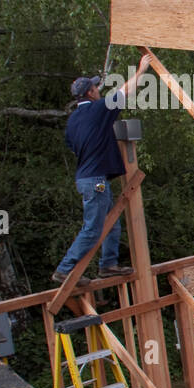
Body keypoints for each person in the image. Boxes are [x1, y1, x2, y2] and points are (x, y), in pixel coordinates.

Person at [52, 54, 152, 285]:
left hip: (88, 179)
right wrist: (141, 70)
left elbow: (74, 146)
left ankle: (108, 264)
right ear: (90, 93)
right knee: (93, 228)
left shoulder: (74, 120)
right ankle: (65, 269)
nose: (98, 89)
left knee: (111, 221)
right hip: (95, 180)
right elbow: (125, 91)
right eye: (96, 87)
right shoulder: (98, 110)